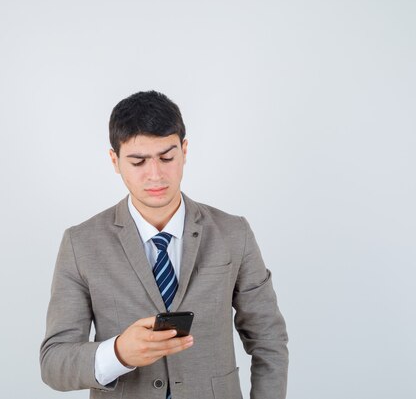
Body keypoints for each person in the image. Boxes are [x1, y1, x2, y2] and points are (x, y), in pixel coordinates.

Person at [40, 91, 288, 399]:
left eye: (167, 157)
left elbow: (269, 339)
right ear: (114, 161)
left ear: (184, 151)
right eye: (138, 161)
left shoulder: (234, 233)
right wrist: (118, 354)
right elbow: (54, 362)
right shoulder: (80, 243)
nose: (155, 174)